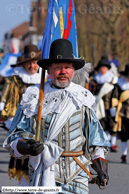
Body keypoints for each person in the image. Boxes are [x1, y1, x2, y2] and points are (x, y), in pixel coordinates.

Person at [3, 39, 110, 194]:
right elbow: (14, 138)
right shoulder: (33, 96)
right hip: (43, 172)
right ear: (49, 70)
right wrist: (26, 146)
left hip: (77, 175)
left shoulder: (82, 97)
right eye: (58, 67)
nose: (63, 71)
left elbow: (96, 140)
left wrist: (101, 168)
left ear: (73, 70)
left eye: (67, 67)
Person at [0, 44, 41, 130]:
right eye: (29, 63)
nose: (31, 66)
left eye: (34, 63)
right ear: (24, 64)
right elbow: (11, 97)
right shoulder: (17, 78)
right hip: (20, 117)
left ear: (38, 63)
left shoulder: (44, 79)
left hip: (40, 117)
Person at [89, 55, 118, 152]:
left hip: (110, 105)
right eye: (101, 68)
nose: (102, 70)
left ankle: (113, 144)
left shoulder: (112, 80)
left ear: (107, 68)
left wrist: (114, 105)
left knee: (112, 124)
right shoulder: (96, 80)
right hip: (100, 105)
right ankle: (107, 142)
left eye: (104, 68)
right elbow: (93, 92)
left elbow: (115, 93)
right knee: (103, 124)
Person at [110, 63, 129, 163]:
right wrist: (114, 113)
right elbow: (114, 99)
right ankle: (124, 154)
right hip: (122, 113)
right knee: (124, 135)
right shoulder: (119, 85)